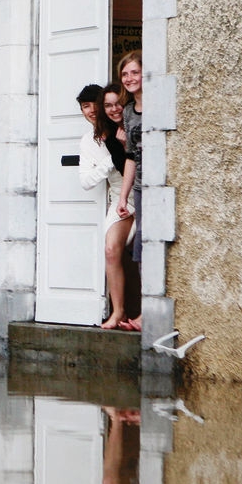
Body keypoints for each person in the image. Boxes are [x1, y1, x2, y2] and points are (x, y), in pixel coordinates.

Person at [78, 83, 135, 329]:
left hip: (138, 195)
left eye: (95, 105)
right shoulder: (92, 140)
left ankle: (139, 313)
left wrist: (121, 148)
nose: (91, 111)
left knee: (139, 254)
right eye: (85, 107)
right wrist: (110, 161)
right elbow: (86, 181)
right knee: (111, 250)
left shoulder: (124, 128)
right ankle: (118, 311)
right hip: (120, 199)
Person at [115, 51, 143, 332]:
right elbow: (131, 156)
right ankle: (143, 312)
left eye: (134, 72)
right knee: (139, 248)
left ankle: (148, 313)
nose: (129, 78)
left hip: (158, 185)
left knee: (150, 246)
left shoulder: (156, 105)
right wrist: (124, 196)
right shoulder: (127, 112)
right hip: (139, 188)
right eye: (125, 74)